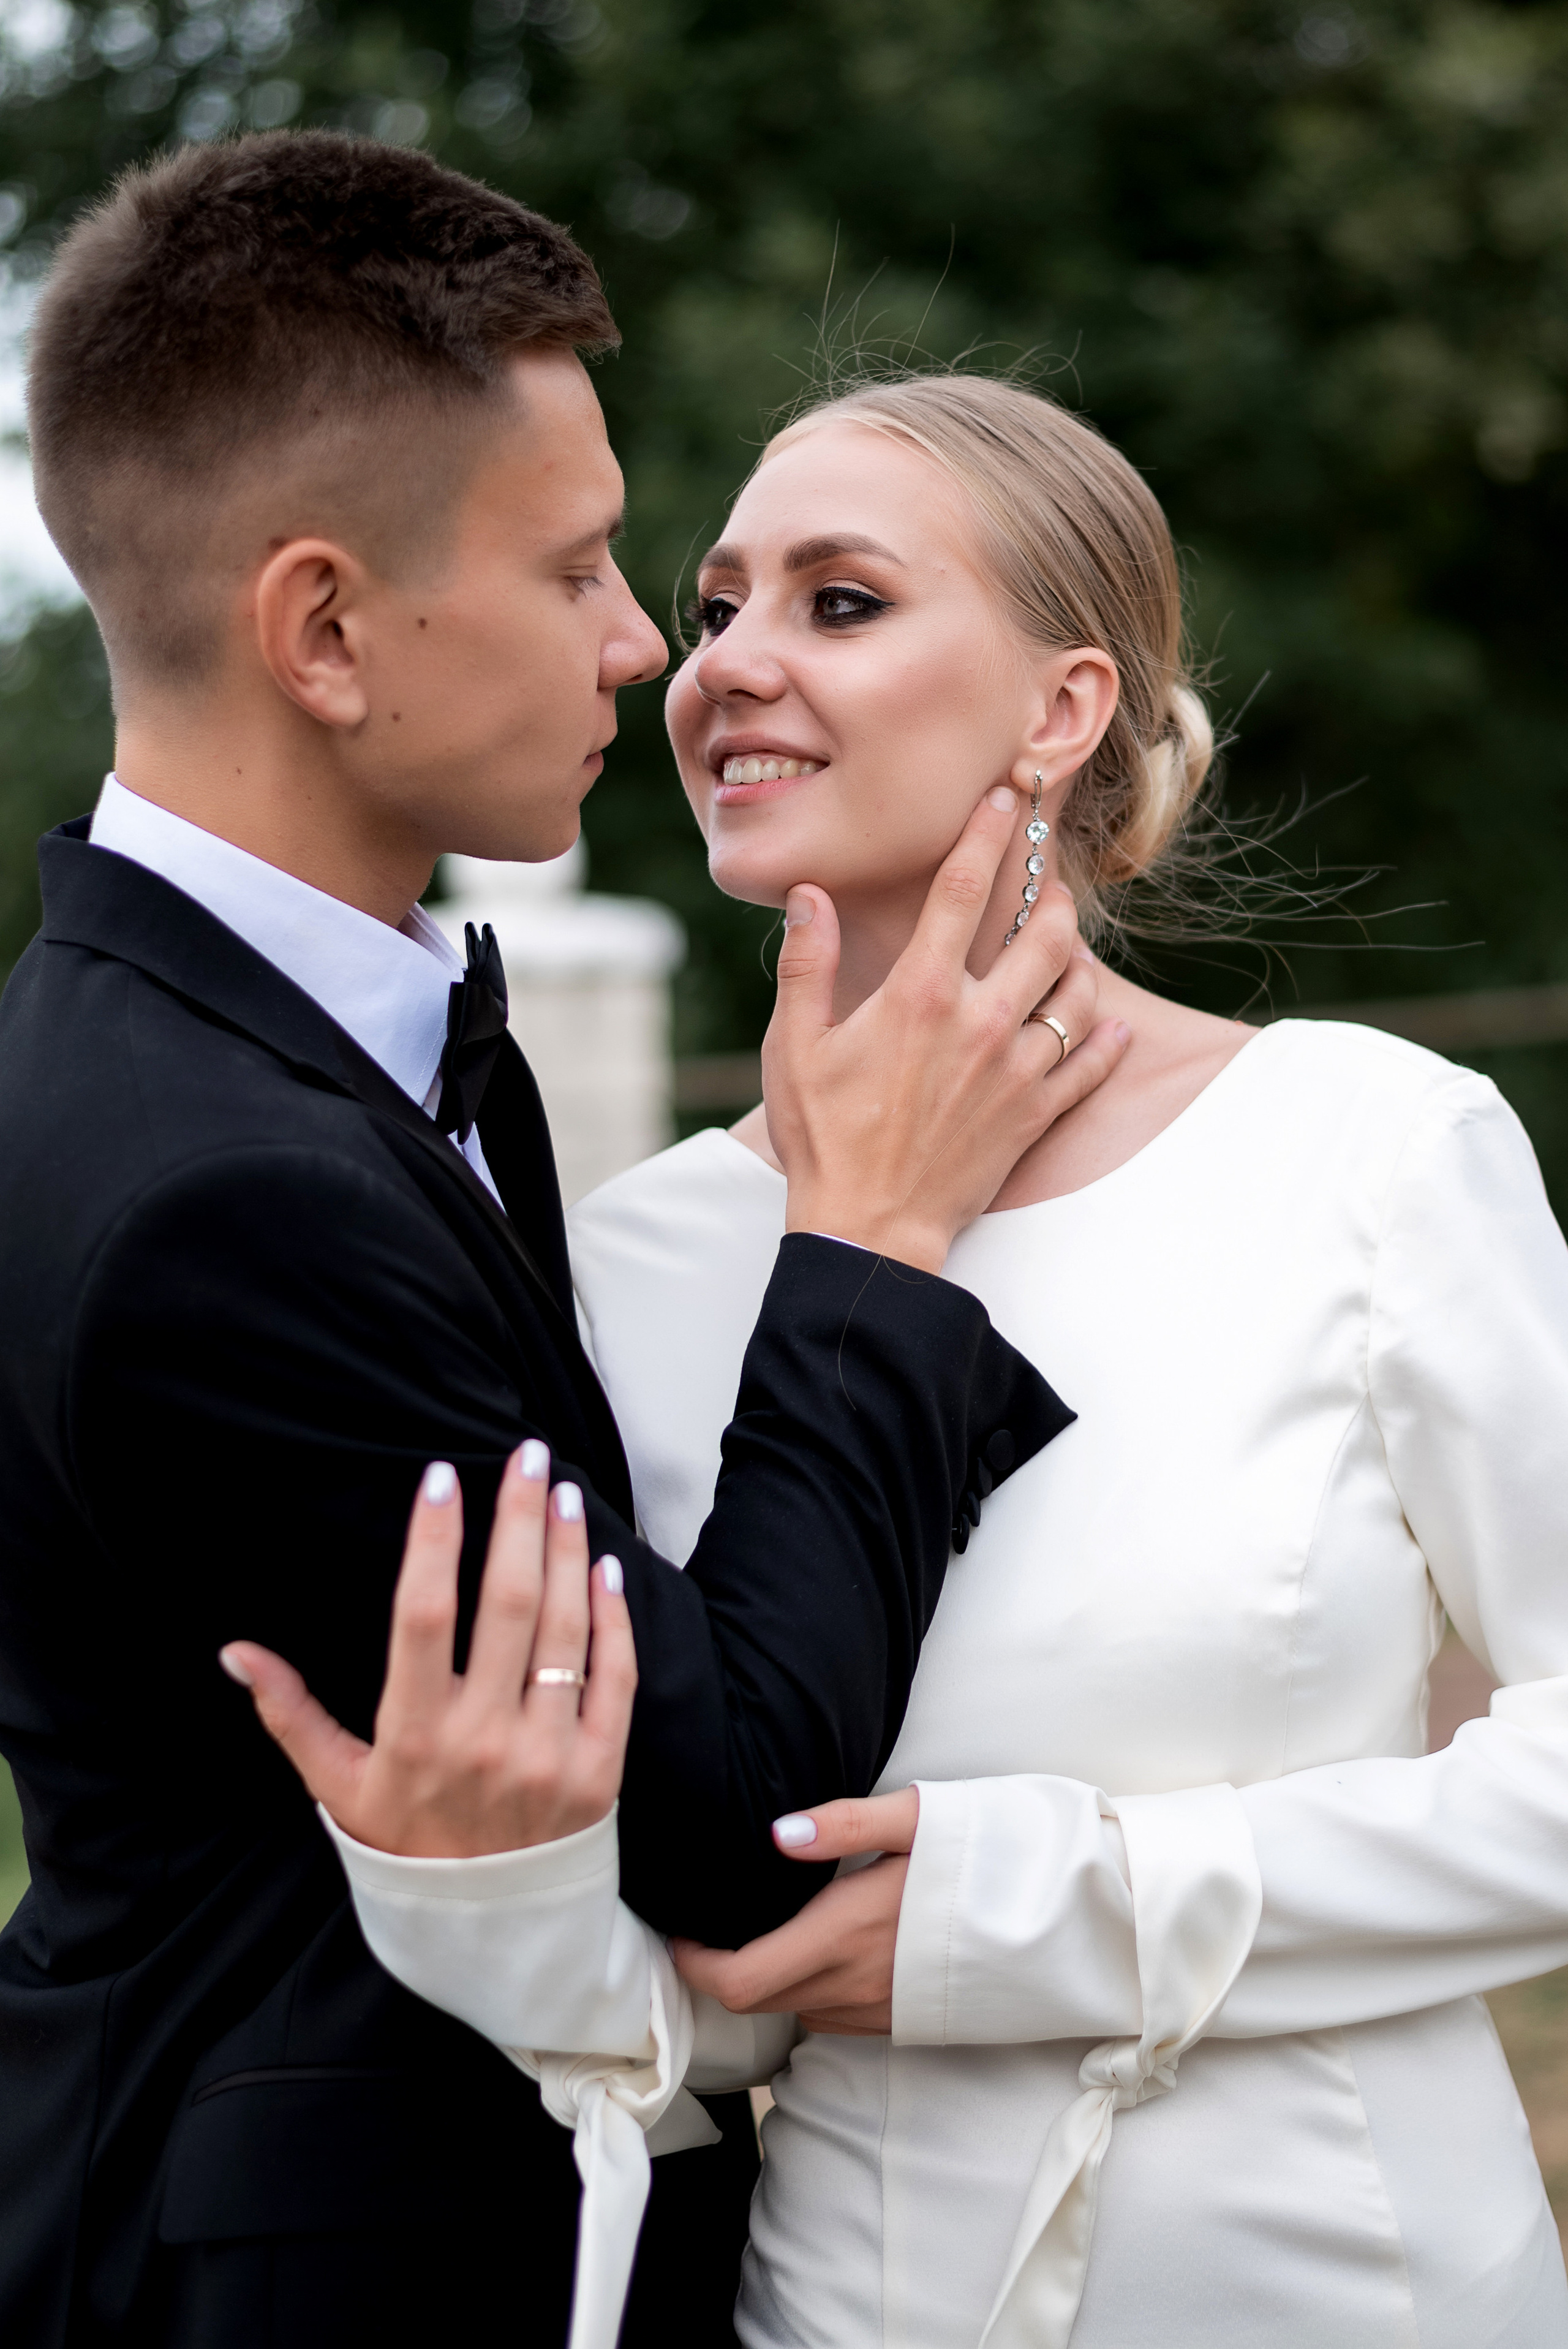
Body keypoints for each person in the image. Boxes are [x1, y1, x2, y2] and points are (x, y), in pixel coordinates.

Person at [254, 371, 1568, 2349]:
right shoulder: (632, 1261)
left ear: (1064, 706)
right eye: (716, 607)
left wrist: (1047, 1911)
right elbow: (697, 1984)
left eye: (840, 600)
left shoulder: (1368, 1150)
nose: (724, 665)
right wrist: (481, 1897)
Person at [0, 142, 1128, 2349]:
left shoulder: (243, 1047)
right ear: (326, 631)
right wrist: (874, 1233)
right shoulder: (225, 1191)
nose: (642, 645)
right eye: (582, 566)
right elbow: (730, 1812)